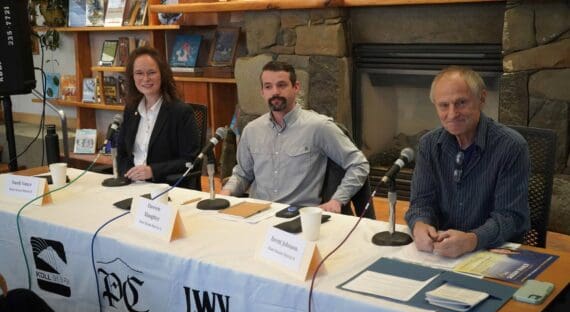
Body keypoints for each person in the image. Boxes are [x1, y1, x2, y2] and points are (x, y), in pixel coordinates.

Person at [405, 66, 530, 259]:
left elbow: (510, 216)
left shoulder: (511, 146)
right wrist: (419, 224)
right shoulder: (428, 144)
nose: (452, 114)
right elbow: (421, 202)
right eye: (443, 105)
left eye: (461, 102)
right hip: (441, 252)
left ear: (481, 98)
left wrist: (472, 240)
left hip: (492, 251)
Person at [220, 61, 369, 213]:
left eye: (282, 85)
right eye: (268, 86)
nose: (275, 92)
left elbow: (359, 164)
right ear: (262, 92)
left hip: (298, 216)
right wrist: (226, 194)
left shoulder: (319, 127)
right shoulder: (252, 130)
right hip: (256, 212)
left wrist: (337, 200)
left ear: (296, 87)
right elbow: (242, 174)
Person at [117, 46, 200, 185]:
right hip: (132, 185)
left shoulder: (180, 112)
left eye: (151, 72)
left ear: (162, 74)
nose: (145, 79)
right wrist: (127, 174)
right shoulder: (131, 110)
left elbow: (191, 161)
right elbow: (122, 154)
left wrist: (152, 171)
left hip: (164, 188)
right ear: (132, 77)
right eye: (139, 73)